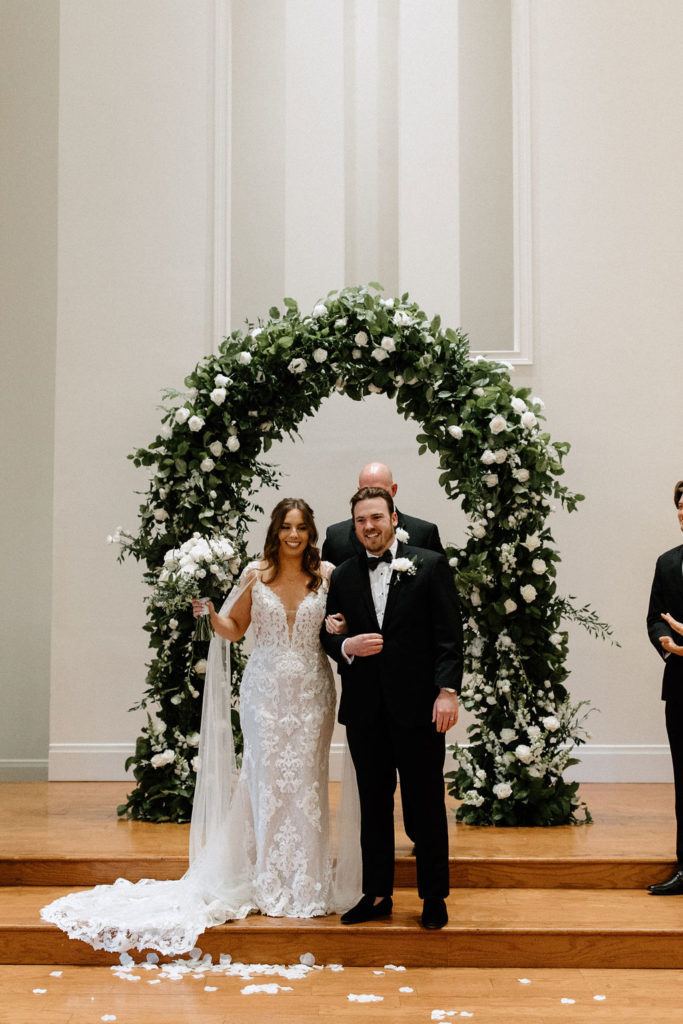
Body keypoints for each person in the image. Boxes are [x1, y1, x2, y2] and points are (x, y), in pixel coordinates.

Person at [41, 499, 360, 954]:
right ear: (275, 530)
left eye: (302, 528)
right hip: (265, 695)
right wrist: (211, 616)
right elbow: (234, 627)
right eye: (287, 527)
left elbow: (340, 629)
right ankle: (264, 880)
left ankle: (306, 883)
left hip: (312, 694)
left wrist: (342, 623)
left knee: (306, 785)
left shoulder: (329, 575)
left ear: (311, 532)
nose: (294, 535)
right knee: (266, 782)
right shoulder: (257, 573)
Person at [321, 486, 463, 930]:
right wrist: (345, 643)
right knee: (373, 805)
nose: (370, 527)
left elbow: (449, 636)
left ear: (394, 519)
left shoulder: (429, 565)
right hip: (365, 710)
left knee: (425, 804)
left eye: (377, 518)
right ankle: (377, 893)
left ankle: (434, 897)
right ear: (354, 526)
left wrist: (447, 692)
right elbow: (328, 634)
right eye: (362, 521)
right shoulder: (343, 575)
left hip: (420, 708)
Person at [647, 479, 683, 895]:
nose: (681, 513)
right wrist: (671, 647)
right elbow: (655, 616)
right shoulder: (668, 562)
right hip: (681, 686)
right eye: (679, 506)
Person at [322, 461, 444, 565]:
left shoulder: (424, 533)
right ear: (359, 491)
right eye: (366, 491)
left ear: (394, 489)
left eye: (380, 492)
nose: (372, 498)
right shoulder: (336, 537)